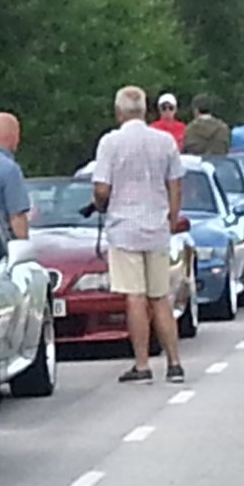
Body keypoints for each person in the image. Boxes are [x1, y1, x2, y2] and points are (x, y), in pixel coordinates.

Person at [90, 85, 186, 385]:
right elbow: (176, 185)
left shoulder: (110, 143)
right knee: (160, 297)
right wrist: (171, 219)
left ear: (118, 112)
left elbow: (102, 188)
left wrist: (100, 204)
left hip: (124, 229)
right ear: (145, 110)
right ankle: (174, 363)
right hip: (156, 227)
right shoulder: (165, 141)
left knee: (135, 297)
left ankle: (142, 364)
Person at [181, 93, 230, 157]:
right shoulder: (223, 128)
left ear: (196, 110)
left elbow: (185, 153)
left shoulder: (189, 129)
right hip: (219, 163)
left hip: (198, 163)